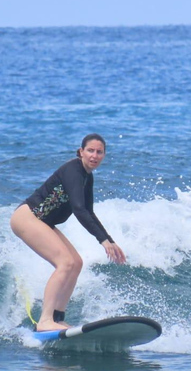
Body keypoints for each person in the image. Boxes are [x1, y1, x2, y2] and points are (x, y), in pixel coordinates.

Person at [10, 133, 126, 332]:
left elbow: (89, 211)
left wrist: (110, 240)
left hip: (43, 222)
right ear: (81, 152)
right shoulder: (74, 169)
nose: (94, 155)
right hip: (27, 217)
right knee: (65, 262)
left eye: (99, 152)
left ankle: (57, 317)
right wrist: (102, 241)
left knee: (76, 263)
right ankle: (45, 320)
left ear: (104, 156)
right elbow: (79, 209)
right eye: (90, 150)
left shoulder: (87, 177)